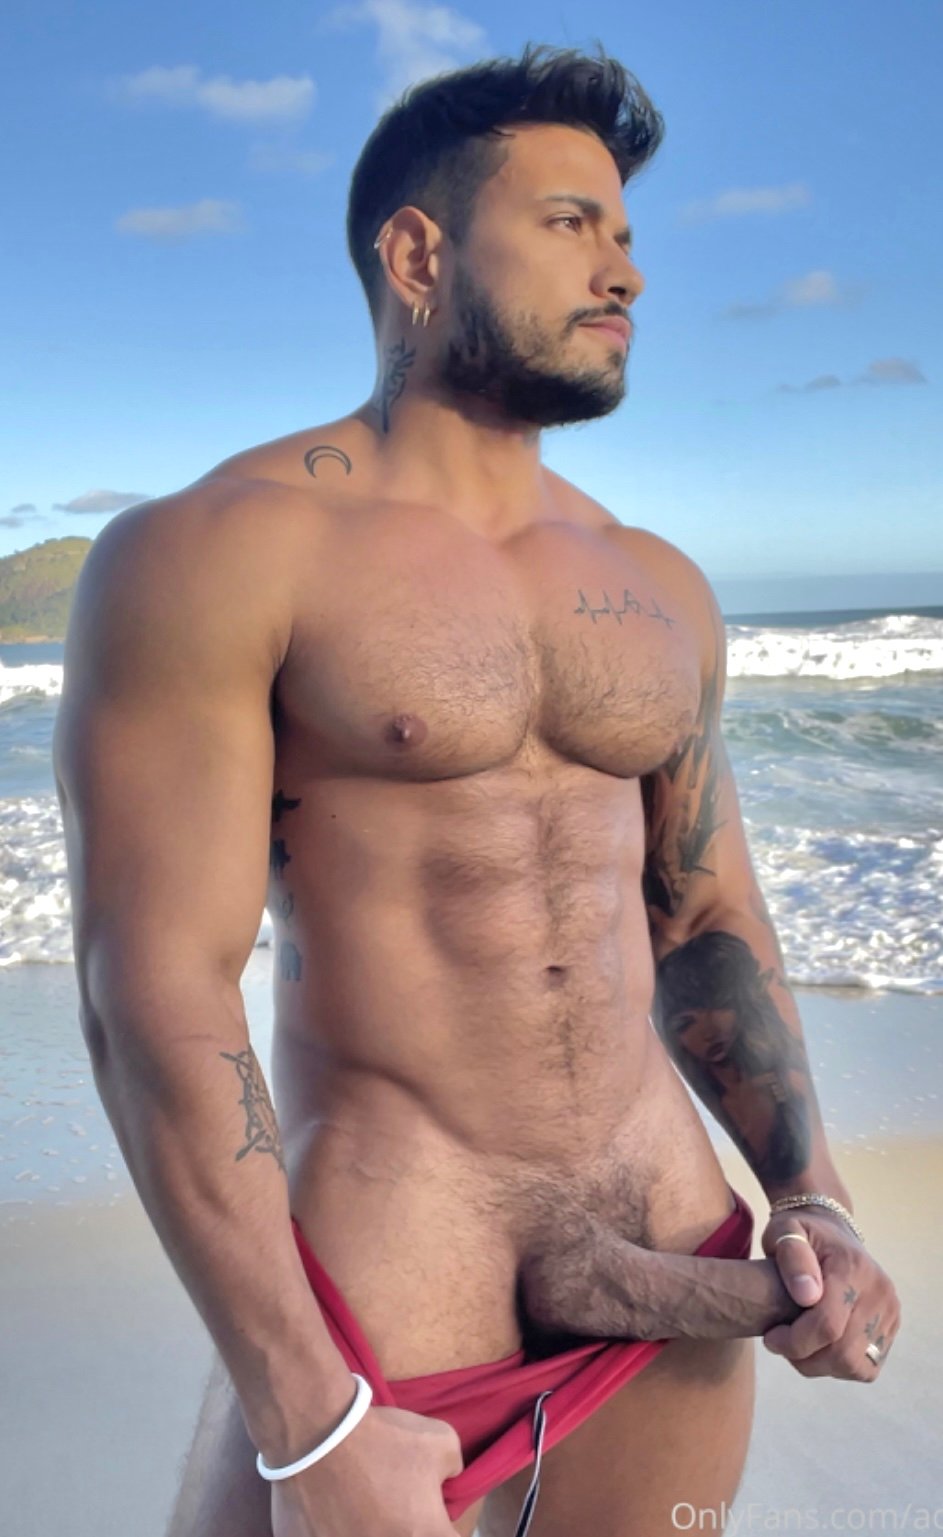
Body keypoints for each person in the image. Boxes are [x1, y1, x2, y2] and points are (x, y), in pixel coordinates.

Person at [53, 40, 900, 1537]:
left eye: (626, 233)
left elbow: (705, 915)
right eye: (571, 224)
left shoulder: (658, 587)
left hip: (670, 1246)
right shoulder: (215, 551)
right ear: (419, 254)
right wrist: (304, 1413)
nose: (626, 271)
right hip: (394, 1277)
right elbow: (154, 987)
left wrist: (810, 1193)